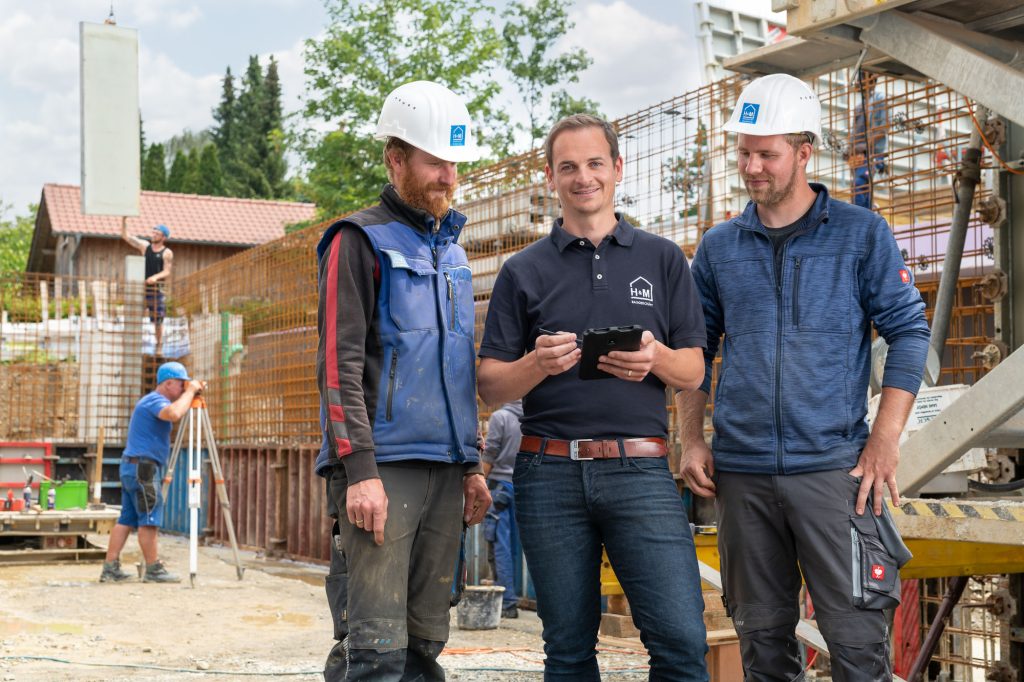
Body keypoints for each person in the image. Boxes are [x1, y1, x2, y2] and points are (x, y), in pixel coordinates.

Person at [677, 73, 930, 681]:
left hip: (834, 471)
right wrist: (690, 437)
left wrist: (885, 440)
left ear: (804, 152)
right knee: (762, 642)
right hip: (743, 474)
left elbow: (910, 333)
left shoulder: (860, 235)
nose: (753, 166)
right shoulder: (718, 248)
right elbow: (693, 350)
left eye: (768, 153)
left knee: (857, 644)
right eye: (744, 152)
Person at [477, 114, 710, 681]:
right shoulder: (522, 271)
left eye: (595, 164)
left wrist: (654, 357)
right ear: (551, 178)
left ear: (618, 169)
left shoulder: (663, 260)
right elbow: (489, 385)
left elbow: (694, 367)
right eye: (569, 167)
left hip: (642, 469)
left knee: (681, 641)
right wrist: (535, 364)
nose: (584, 177)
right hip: (548, 472)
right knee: (569, 650)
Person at [313, 80, 491, 682]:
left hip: (447, 469)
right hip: (383, 470)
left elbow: (454, 368)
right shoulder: (356, 240)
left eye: (453, 163)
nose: (447, 175)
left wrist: (470, 464)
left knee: (423, 643)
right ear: (395, 158)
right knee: (375, 647)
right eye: (433, 161)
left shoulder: (453, 254)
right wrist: (359, 472)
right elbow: (338, 366)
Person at [100, 361, 205, 583]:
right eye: (181, 385)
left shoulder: (149, 401)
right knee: (149, 519)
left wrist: (188, 390)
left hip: (133, 466)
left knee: (126, 519)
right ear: (168, 383)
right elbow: (175, 413)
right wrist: (193, 390)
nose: (183, 389)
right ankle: (153, 569)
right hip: (143, 469)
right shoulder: (156, 401)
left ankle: (110, 568)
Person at [481, 399, 523, 619]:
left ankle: (507, 603)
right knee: (523, 547)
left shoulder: (501, 417)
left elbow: (490, 454)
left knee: (501, 545)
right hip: (523, 484)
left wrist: (478, 482)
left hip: (500, 487)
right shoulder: (530, 416)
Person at [121, 222, 174, 354]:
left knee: (157, 319)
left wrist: (155, 277)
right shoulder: (145, 247)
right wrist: (124, 219)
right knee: (134, 314)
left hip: (157, 289)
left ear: (163, 237)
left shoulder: (167, 253)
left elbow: (167, 271)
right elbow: (126, 237)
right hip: (142, 288)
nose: (154, 235)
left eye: (157, 233)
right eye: (154, 232)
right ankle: (132, 343)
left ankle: (159, 346)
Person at [850, 71, 888, 209]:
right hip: (860, 155)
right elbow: (854, 132)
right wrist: (851, 150)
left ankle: (863, 216)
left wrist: (864, 146)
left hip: (872, 154)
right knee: (858, 187)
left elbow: (882, 130)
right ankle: (867, 213)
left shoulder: (879, 100)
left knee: (860, 183)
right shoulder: (859, 107)